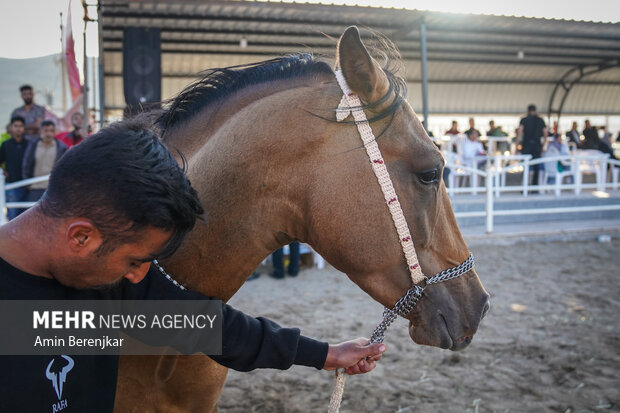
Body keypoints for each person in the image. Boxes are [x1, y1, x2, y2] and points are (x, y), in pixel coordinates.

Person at [0, 118, 385, 411]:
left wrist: (326, 354)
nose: (140, 275)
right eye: (135, 260)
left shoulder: (111, 282)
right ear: (81, 237)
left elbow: (207, 325)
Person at [22, 120, 68, 202]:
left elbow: (65, 167)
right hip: (35, 188)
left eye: (51, 131)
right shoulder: (33, 145)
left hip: (53, 188)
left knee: (53, 214)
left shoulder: (61, 147)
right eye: (46, 130)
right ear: (40, 131)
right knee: (34, 214)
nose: (49, 134)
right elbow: (26, 165)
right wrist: (28, 183)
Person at [0, 116, 29, 219]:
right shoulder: (6, 145)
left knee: (27, 218)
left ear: (24, 128)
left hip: (29, 187)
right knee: (13, 218)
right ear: (11, 127)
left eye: (21, 126)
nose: (18, 128)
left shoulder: (30, 144)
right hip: (12, 186)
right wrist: (3, 172)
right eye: (16, 126)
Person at [516, 104, 547, 187]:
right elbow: (545, 133)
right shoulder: (540, 120)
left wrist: (517, 146)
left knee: (525, 166)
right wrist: (543, 145)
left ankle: (525, 186)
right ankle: (535, 187)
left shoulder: (524, 120)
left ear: (528, 111)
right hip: (537, 145)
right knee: (536, 167)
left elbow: (519, 133)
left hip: (526, 145)